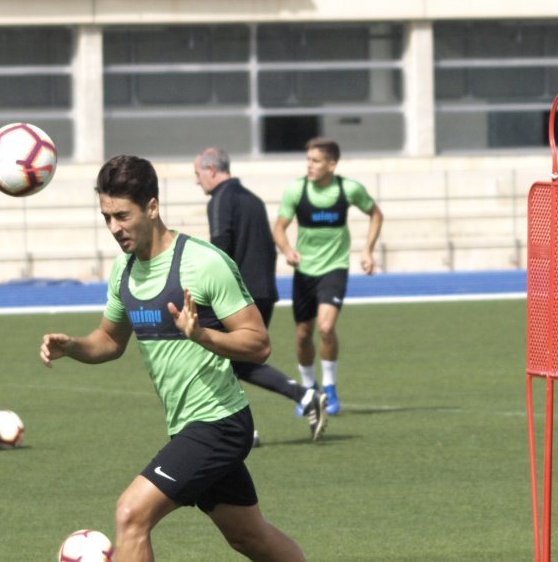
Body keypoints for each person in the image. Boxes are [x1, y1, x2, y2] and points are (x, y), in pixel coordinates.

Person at [40, 155, 306, 562]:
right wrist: (73, 347)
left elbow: (258, 344)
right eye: (106, 217)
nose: (114, 228)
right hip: (186, 425)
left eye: (122, 216)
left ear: (152, 207)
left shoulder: (204, 263)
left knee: (131, 514)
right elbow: (109, 341)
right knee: (249, 538)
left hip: (219, 423)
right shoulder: (124, 271)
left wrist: (201, 335)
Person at [194, 147, 328, 443]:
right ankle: (303, 397)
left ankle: (243, 427)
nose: (196, 180)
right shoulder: (252, 199)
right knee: (239, 361)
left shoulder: (220, 200)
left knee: (214, 356)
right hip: (263, 291)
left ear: (211, 170)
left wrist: (205, 290)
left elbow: (220, 249)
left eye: (198, 173)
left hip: (236, 298)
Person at [271, 137, 384, 416]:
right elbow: (279, 228)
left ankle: (330, 388)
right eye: (308, 160)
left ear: (331, 165)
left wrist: (367, 250)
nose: (309, 165)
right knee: (302, 335)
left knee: (325, 328)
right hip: (304, 271)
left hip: (334, 268)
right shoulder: (297, 190)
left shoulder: (349, 189)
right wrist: (287, 250)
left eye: (316, 161)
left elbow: (375, 214)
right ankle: (309, 390)